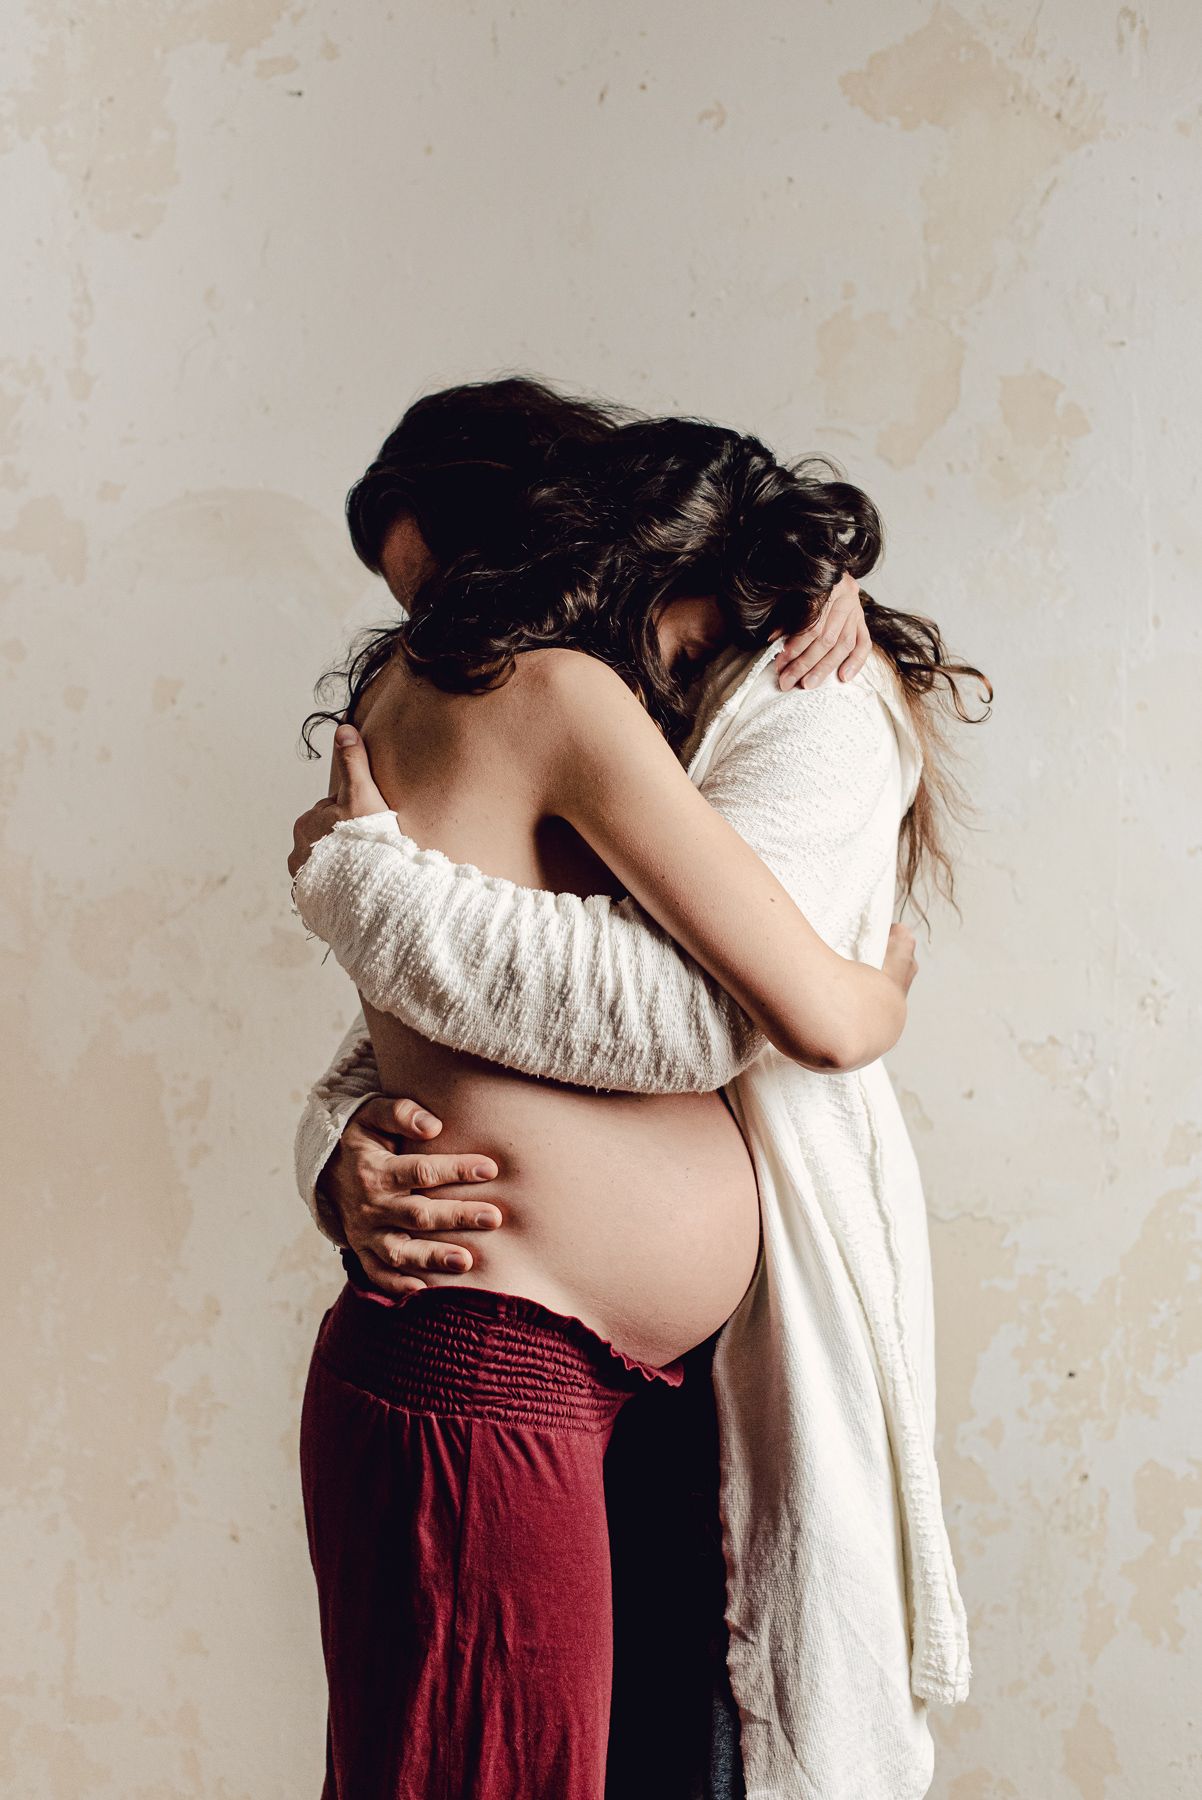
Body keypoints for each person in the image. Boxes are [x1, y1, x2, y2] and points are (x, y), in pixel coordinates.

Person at [288, 399, 971, 1800]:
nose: (452, 621)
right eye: (418, 603)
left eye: (460, 575)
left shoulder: (795, 698)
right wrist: (878, 992)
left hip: (618, 1379)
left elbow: (613, 1007)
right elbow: (753, 1012)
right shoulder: (558, 699)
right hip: (503, 1369)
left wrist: (368, 896)